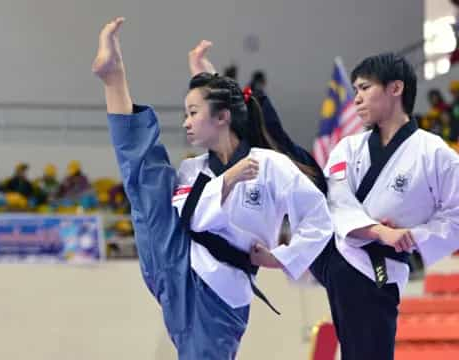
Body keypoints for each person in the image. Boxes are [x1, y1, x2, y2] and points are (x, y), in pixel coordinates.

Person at [92, 18, 333, 359]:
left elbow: (319, 219)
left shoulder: (271, 166)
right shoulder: (194, 169)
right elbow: (192, 216)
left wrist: (281, 258)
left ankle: (116, 77)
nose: (185, 122)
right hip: (176, 260)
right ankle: (114, 77)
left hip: (221, 288)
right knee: (148, 180)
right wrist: (229, 178)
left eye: (193, 112)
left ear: (221, 117)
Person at [310, 53, 459, 360]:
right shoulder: (350, 147)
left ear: (395, 88)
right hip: (340, 258)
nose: (357, 99)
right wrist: (378, 231)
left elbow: (456, 216)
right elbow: (334, 199)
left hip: (381, 270)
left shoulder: (433, 153)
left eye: (365, 88)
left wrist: (412, 236)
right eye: (354, 91)